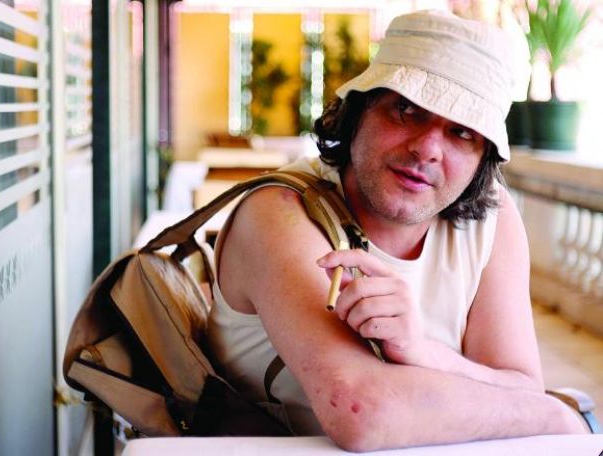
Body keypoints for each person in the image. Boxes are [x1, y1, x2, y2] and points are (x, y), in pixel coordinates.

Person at [206, 9, 586, 451]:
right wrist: (557, 416)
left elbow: (521, 384)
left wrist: (423, 351)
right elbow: (361, 411)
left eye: (462, 132)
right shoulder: (279, 212)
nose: (427, 149)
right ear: (358, 111)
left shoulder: (492, 218)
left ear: (482, 156)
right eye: (406, 110)